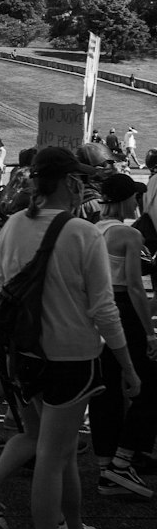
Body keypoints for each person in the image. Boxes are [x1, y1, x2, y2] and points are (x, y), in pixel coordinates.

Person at [0, 147, 139, 529]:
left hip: (25, 356)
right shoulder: (82, 234)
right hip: (71, 359)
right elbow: (104, 309)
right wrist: (128, 366)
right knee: (53, 461)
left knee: (61, 453)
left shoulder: (13, 224)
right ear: (70, 183)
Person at [89, 171, 157, 496]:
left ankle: (105, 468)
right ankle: (123, 459)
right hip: (122, 311)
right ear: (127, 198)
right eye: (134, 197)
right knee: (147, 385)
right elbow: (133, 287)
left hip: (95, 311)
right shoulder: (129, 236)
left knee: (106, 390)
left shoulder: (91, 229)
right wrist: (150, 333)